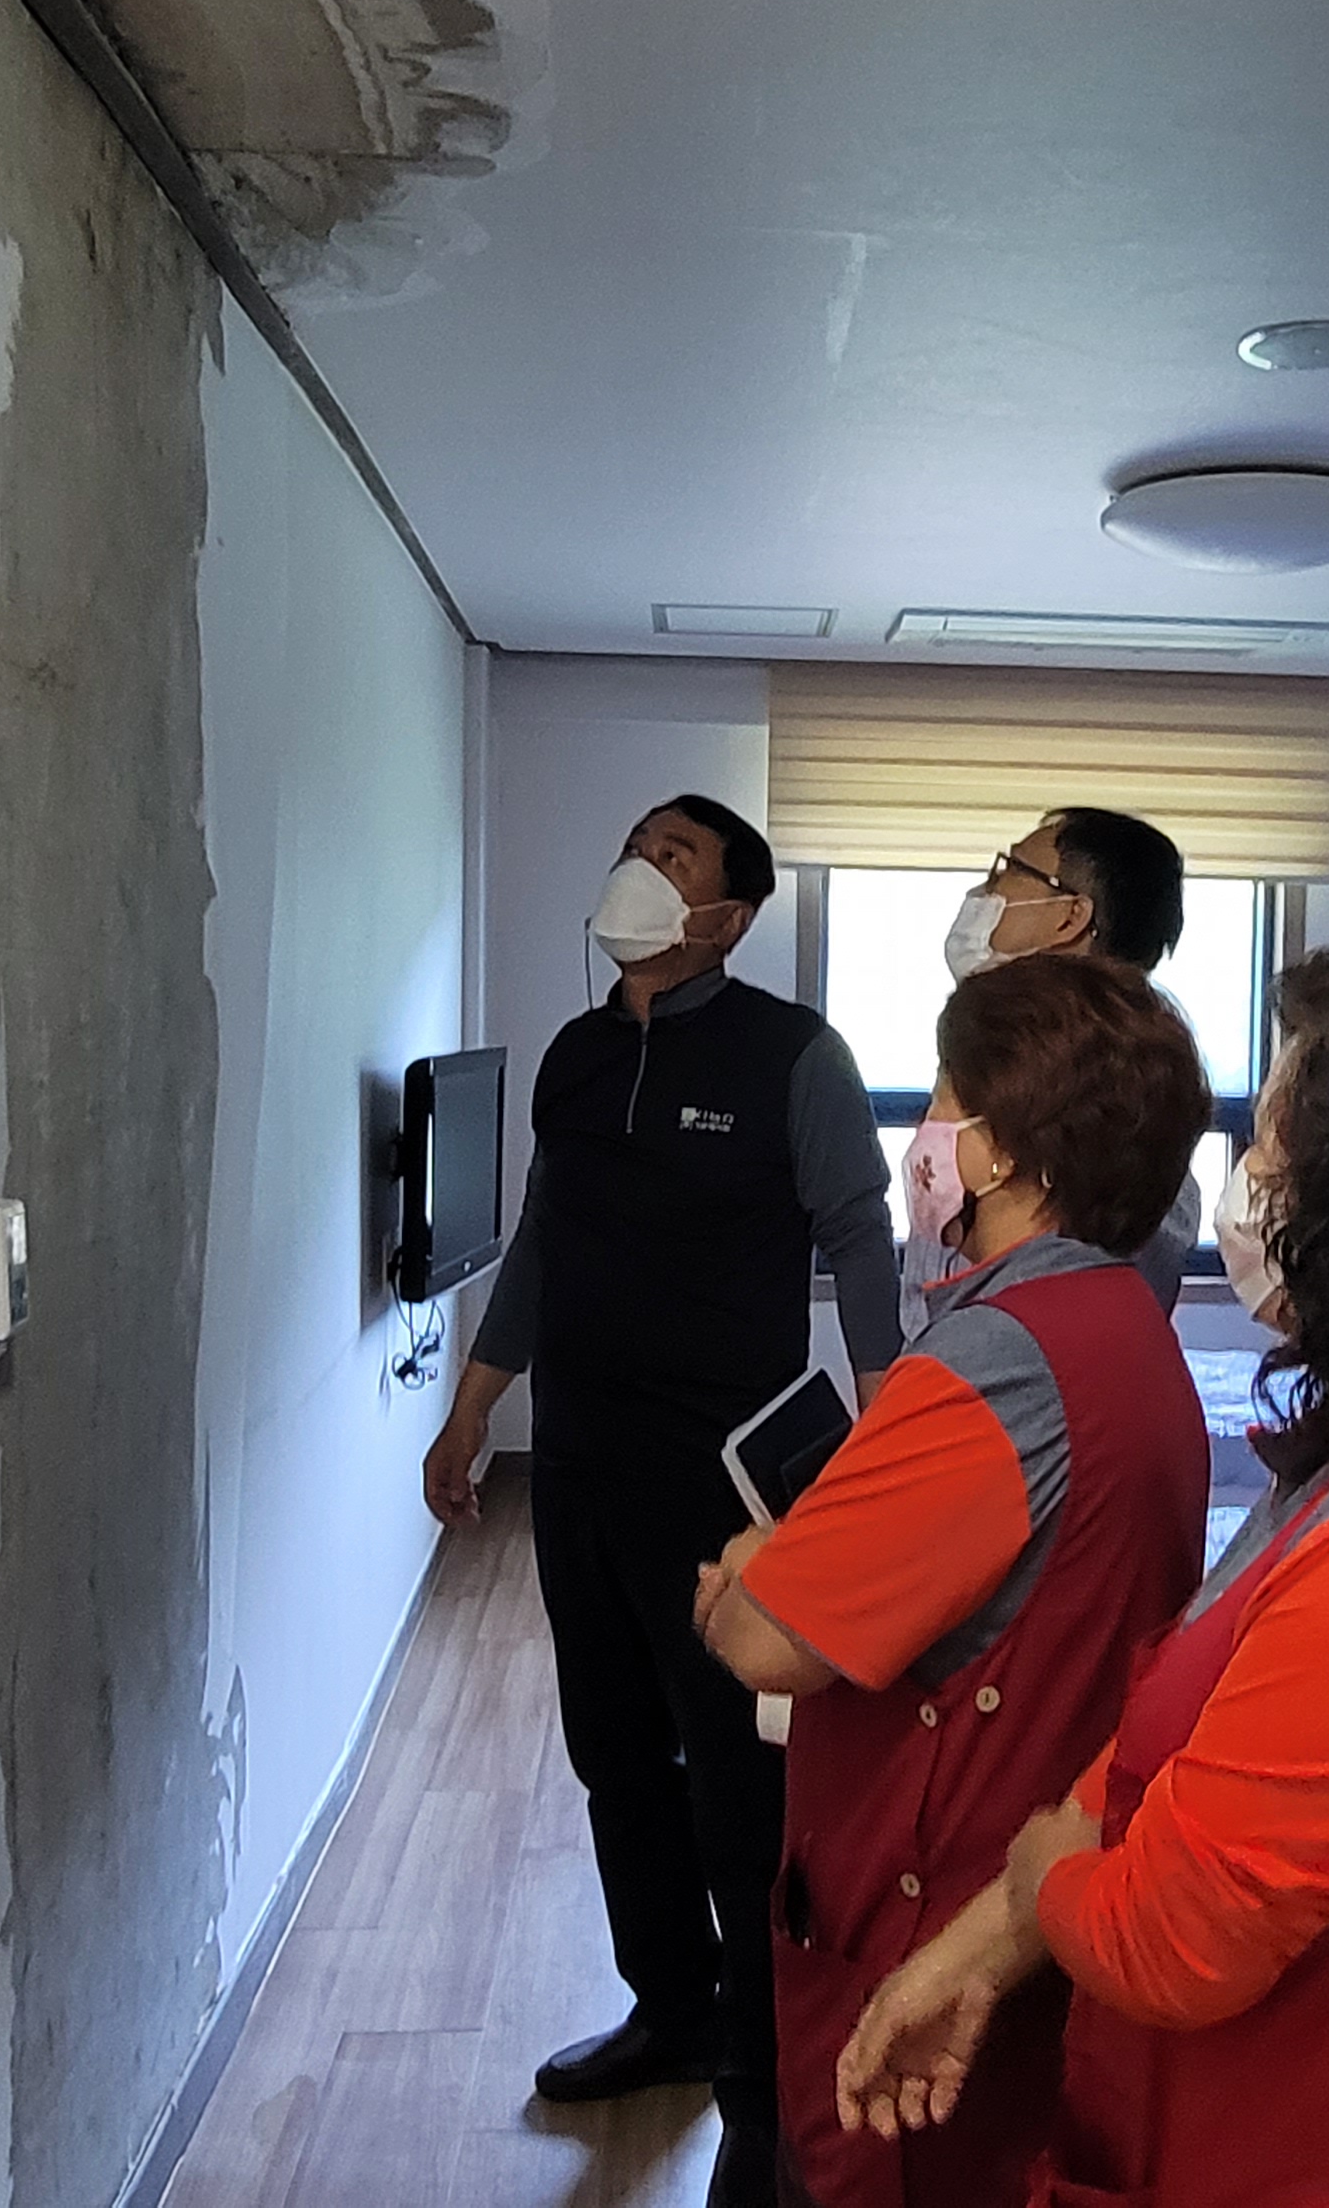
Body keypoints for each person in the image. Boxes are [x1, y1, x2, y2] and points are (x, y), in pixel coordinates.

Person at [831, 952, 1329, 2208]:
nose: (1246, 1182)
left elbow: (1166, 1937)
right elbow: (1191, 1745)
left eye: (1274, 1150)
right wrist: (983, 1949)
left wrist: (1044, 1868)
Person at [420, 794, 905, 2207]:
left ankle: (762, 2090)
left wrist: (888, 1420)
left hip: (722, 1483)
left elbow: (857, 1237)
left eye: (673, 855)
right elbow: (541, 1238)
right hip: (579, 1465)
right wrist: (475, 1401)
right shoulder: (576, 1056)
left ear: (726, 917)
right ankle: (671, 2011)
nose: (639, 864)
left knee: (741, 1789)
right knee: (614, 1755)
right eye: (636, 842)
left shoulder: (792, 1056)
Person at [690, 954, 1215, 2208]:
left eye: (941, 1098)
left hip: (916, 1957)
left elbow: (768, 1638)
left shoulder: (993, 1363)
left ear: (1001, 1151)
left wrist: (749, 1574)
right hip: (1032, 1921)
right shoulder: (1127, 1327)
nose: (923, 1133)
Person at [903, 808, 1207, 1323]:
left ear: (1071, 916)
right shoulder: (993, 1060)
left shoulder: (1126, 1105)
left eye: (1011, 869)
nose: (988, 888)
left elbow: (1085, 1324)